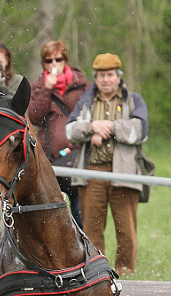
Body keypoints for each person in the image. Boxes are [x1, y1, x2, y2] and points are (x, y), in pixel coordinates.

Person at [65, 53, 148, 275]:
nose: (106, 80)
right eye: (101, 75)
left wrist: (109, 127)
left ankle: (126, 269)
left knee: (126, 228)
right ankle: (96, 272)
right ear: (96, 78)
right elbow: (70, 130)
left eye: (110, 75)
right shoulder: (86, 101)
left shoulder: (133, 100)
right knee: (91, 227)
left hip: (124, 172)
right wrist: (92, 126)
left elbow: (140, 131)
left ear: (118, 76)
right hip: (92, 173)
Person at [28, 41, 89, 228]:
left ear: (65, 60)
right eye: (49, 60)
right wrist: (47, 89)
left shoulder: (81, 84)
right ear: (43, 63)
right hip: (50, 159)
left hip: (77, 156)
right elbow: (35, 117)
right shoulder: (37, 87)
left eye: (58, 59)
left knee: (81, 211)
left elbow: (85, 113)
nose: (54, 64)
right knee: (53, 211)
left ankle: (85, 250)